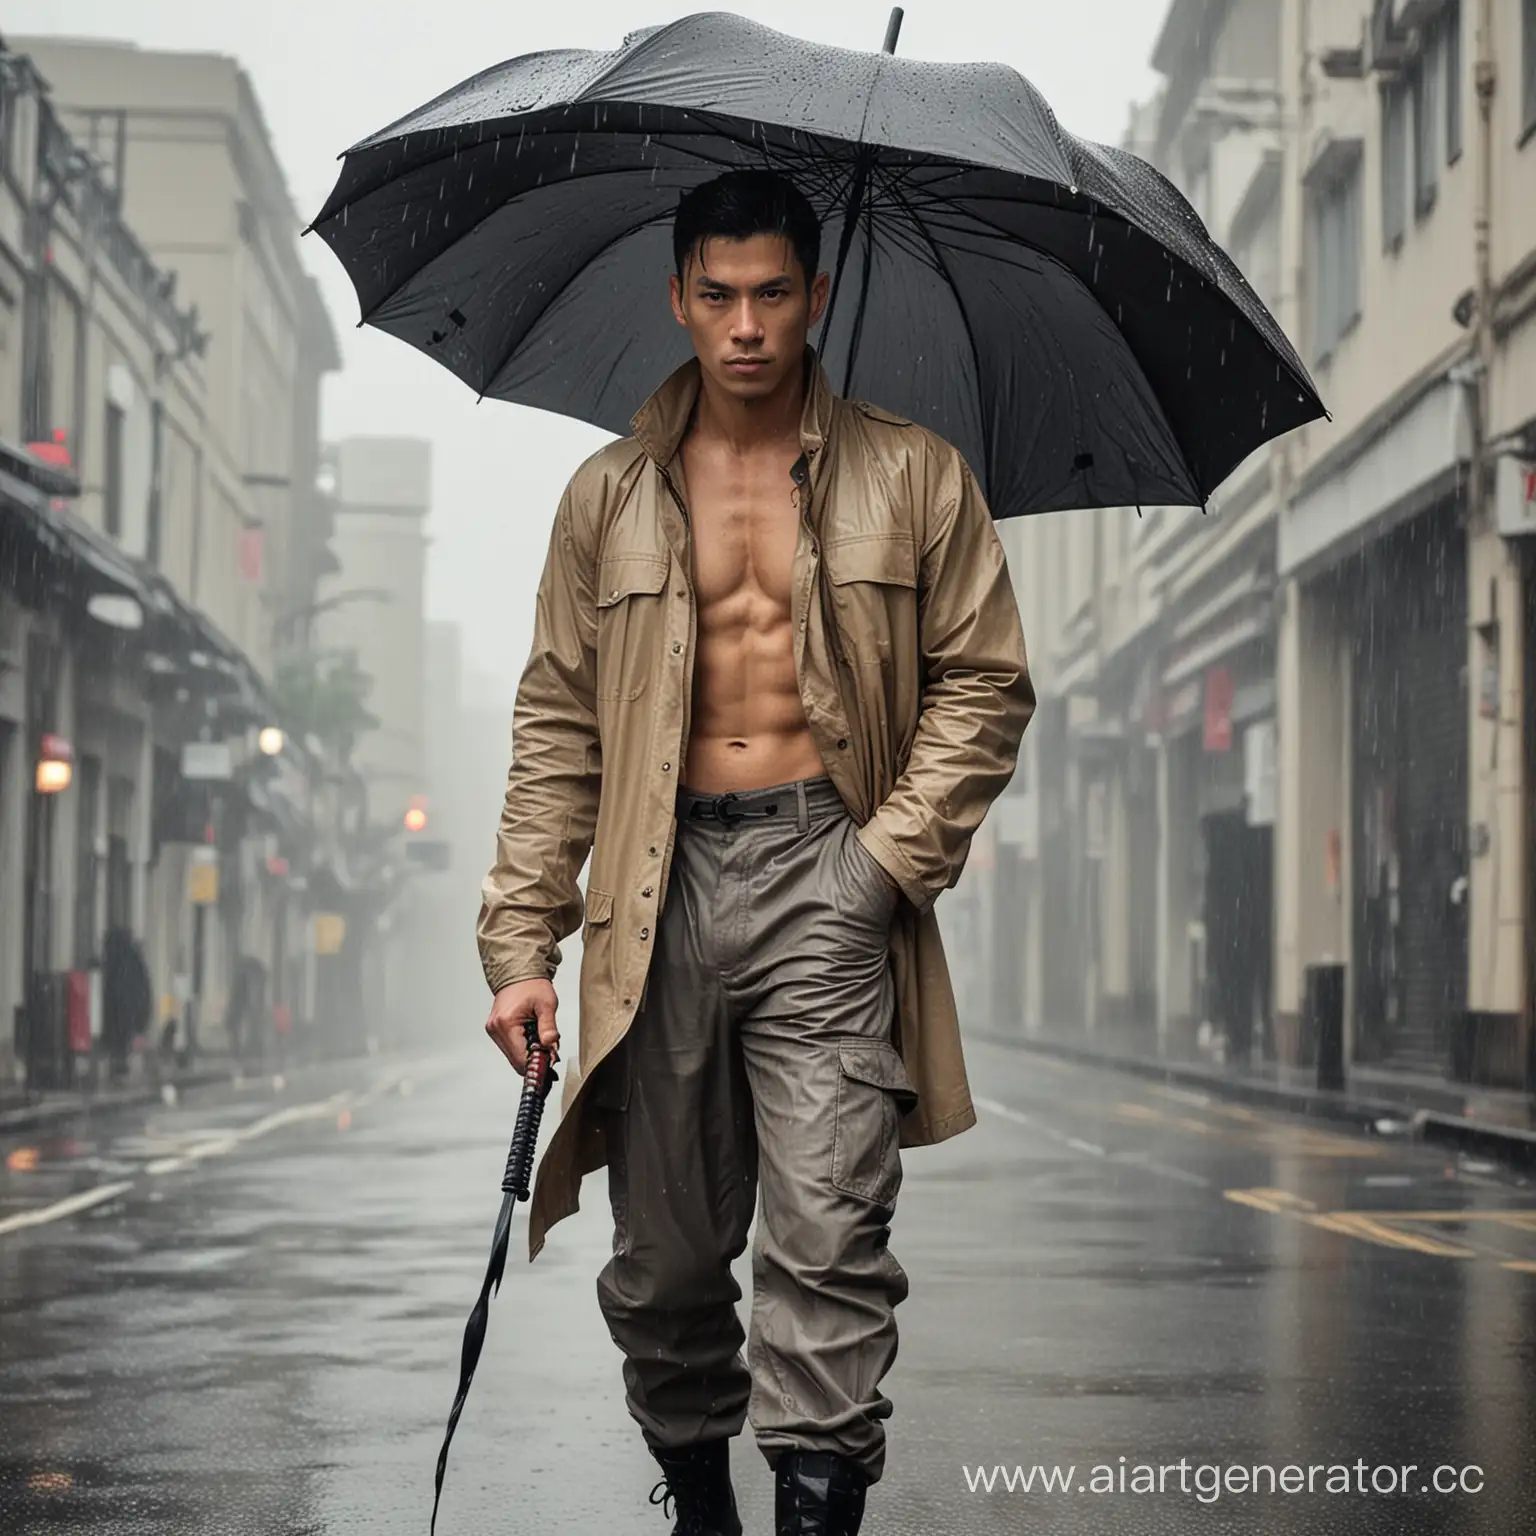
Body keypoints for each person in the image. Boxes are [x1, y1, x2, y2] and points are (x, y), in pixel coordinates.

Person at [479, 169, 1033, 1536]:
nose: (743, 325)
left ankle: (814, 1506)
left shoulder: (914, 474)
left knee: (832, 1236)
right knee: (663, 1266)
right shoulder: (606, 497)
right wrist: (519, 945)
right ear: (678, 297)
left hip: (827, 881)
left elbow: (985, 682)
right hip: (650, 899)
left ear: (816, 296)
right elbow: (558, 720)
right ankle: (703, 1501)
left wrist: (881, 866)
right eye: (717, 295)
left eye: (772, 293)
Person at [101, 926, 152, 1085]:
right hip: (127, 1017)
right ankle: (119, 1075)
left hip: (118, 1016)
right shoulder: (135, 961)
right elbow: (143, 991)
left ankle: (118, 1074)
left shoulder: (115, 962)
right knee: (122, 1048)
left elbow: (117, 992)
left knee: (118, 1047)